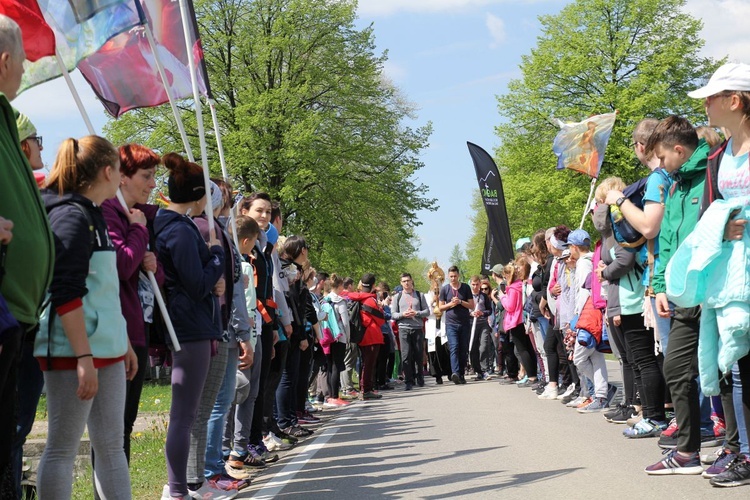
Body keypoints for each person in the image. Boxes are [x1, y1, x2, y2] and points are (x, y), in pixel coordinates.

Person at [661, 65, 750, 485]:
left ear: (735, 101)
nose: (704, 104)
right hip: (732, 273)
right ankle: (743, 453)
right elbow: (711, 214)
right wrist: (723, 228)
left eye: (712, 97)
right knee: (737, 363)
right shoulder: (720, 155)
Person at [36, 135, 136, 499]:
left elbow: (105, 291)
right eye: (121, 171)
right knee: (62, 448)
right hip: (73, 353)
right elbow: (65, 293)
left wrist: (122, 343)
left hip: (105, 350)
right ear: (108, 171)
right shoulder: (70, 215)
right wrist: (83, 357)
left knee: (111, 447)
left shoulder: (93, 213)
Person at [640, 116, 713, 472]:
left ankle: (735, 447)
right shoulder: (675, 185)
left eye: (663, 158)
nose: (660, 166)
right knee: (676, 367)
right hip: (682, 294)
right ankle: (687, 453)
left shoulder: (710, 173)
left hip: (712, 291)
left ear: (679, 151)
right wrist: (662, 286)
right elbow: (667, 239)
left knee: (725, 373)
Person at [0, 17, 54, 496]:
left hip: (18, 318)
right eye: (22, 61)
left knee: (10, 439)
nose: (25, 69)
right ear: (4, 61)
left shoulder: (4, 116)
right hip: (5, 313)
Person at [155, 153, 225, 500]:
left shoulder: (172, 226)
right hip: (190, 326)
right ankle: (178, 489)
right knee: (183, 414)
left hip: (189, 323)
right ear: (198, 196)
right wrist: (216, 258)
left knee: (186, 413)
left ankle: (180, 487)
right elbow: (197, 283)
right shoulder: (180, 230)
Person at [101, 144, 163, 471]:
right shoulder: (111, 211)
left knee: (124, 426)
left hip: (138, 325)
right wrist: (138, 232)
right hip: (118, 328)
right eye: (147, 176)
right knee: (112, 431)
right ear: (122, 177)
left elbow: (154, 271)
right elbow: (122, 265)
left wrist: (148, 257)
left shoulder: (140, 215)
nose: (153, 184)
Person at [348, 273, 386, 399]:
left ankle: (364, 388)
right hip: (371, 335)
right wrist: (380, 309)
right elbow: (380, 320)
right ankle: (366, 390)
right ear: (373, 285)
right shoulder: (370, 300)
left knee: (365, 362)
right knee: (369, 363)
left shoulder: (357, 297)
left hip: (362, 334)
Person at [392, 273, 430, 390]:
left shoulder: (419, 295)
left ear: (412, 281)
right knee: (406, 355)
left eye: (408, 280)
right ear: (401, 283)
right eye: (404, 281)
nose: (406, 283)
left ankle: (420, 377)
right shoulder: (397, 297)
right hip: (403, 328)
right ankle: (409, 380)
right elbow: (393, 314)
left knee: (418, 354)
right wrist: (403, 314)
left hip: (417, 328)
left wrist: (416, 313)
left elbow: (427, 311)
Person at [438, 266, 475, 384]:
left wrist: (460, 301)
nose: (453, 278)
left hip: (464, 323)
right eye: (451, 276)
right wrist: (451, 304)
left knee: (463, 349)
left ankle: (462, 374)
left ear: (458, 275)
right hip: (451, 324)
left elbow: (471, 305)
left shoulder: (465, 287)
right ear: (448, 277)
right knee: (454, 347)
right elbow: (440, 307)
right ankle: (455, 373)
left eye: (455, 276)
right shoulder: (445, 289)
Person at [467, 275, 493, 381]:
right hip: (471, 324)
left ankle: (485, 370)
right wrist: (471, 313)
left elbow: (489, 310)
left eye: (477, 284)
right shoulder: (467, 296)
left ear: (479, 284)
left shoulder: (483, 296)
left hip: (482, 324)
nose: (475, 287)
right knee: (473, 348)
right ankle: (478, 371)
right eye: (473, 284)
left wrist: (482, 313)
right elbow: (464, 310)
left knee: (483, 346)